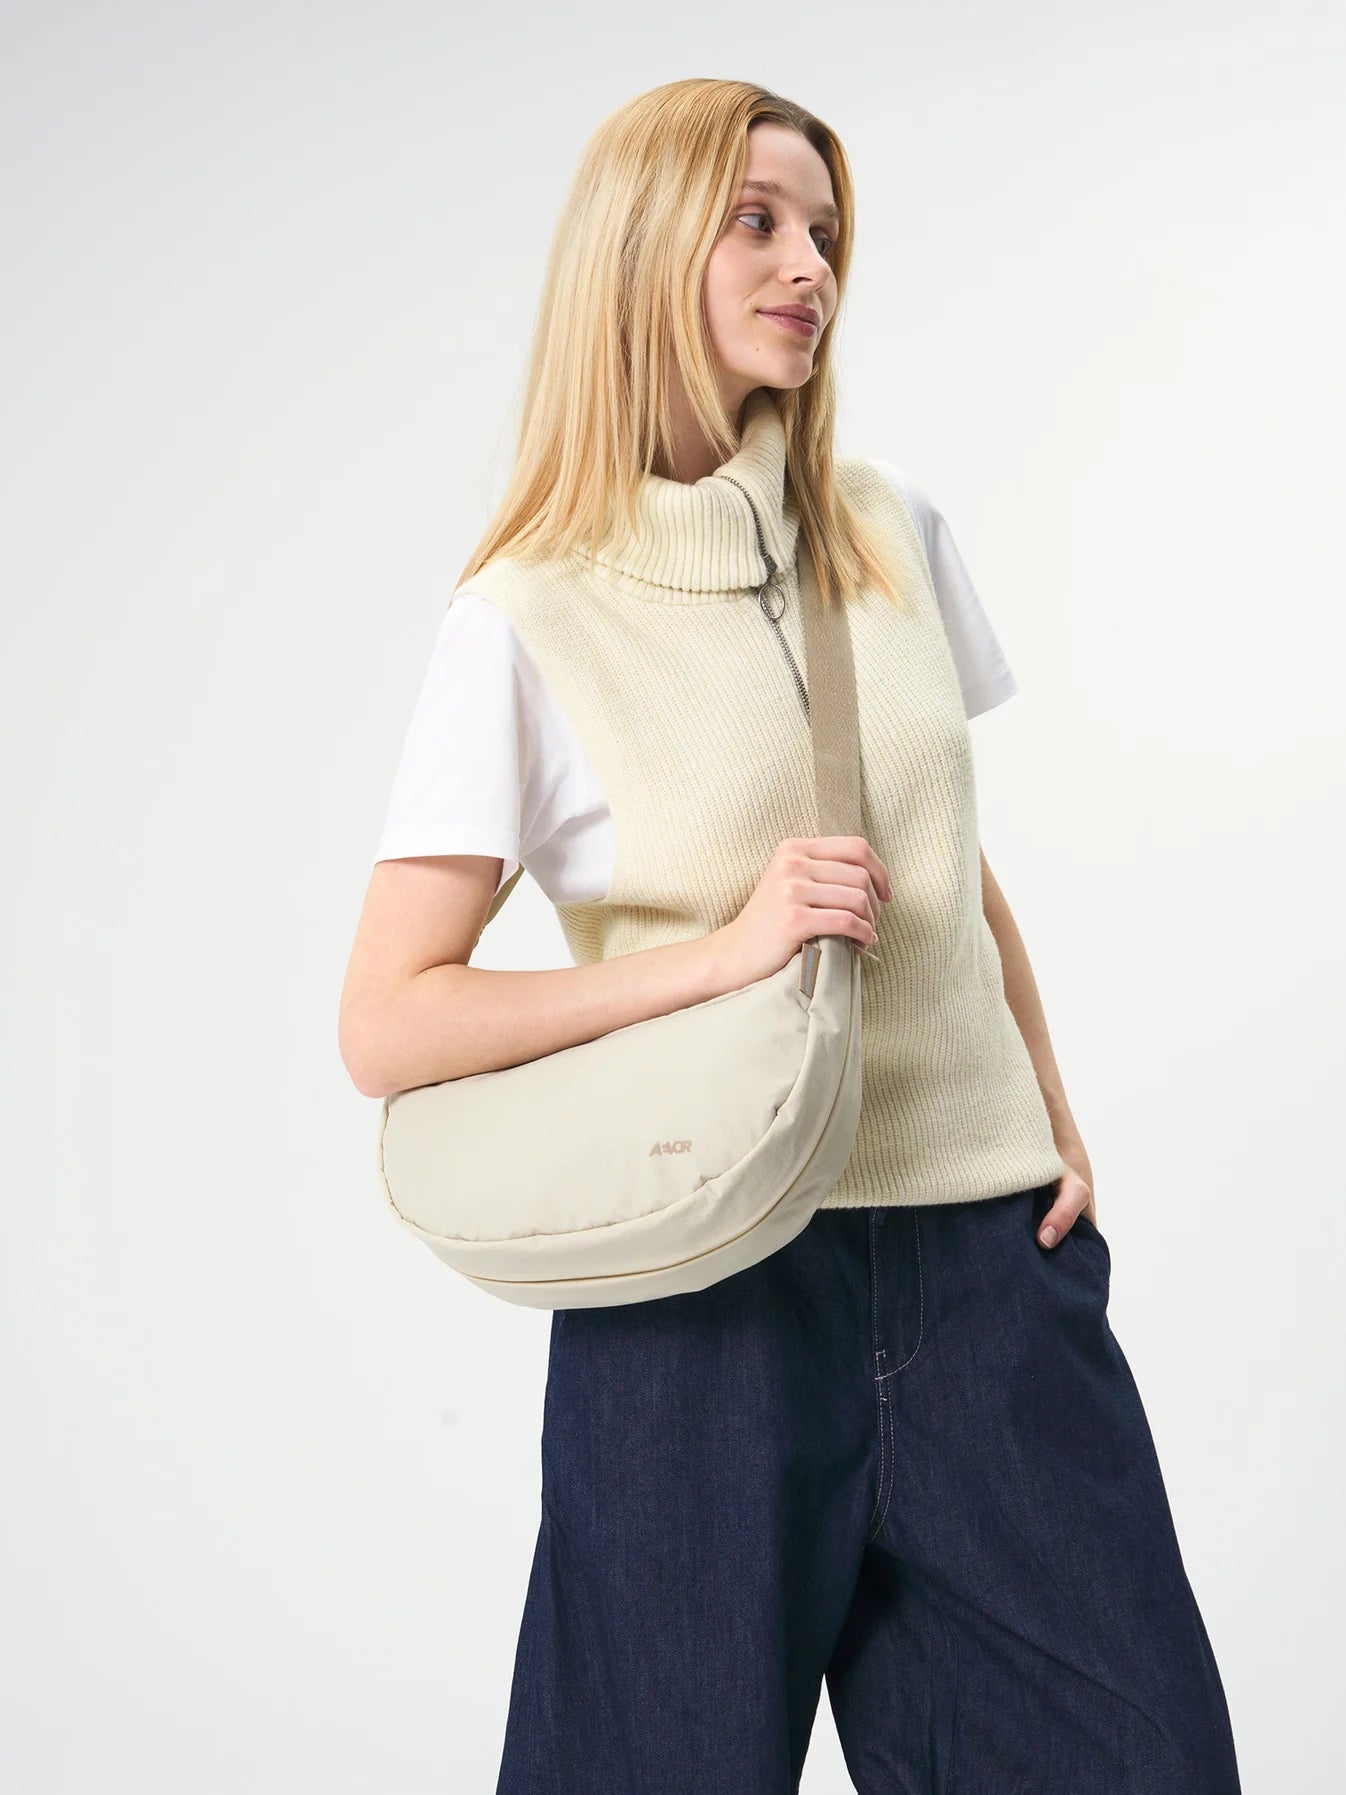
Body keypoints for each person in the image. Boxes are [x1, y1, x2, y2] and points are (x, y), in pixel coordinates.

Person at [338, 77, 1242, 1795]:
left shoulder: (889, 531)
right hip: (707, 1297)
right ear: (640, 249)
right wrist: (721, 954)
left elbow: (949, 862)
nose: (807, 266)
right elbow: (388, 1020)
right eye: (754, 222)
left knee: (1142, 1759)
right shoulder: (527, 615)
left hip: (986, 1272)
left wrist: (1051, 1122)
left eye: (823, 230)